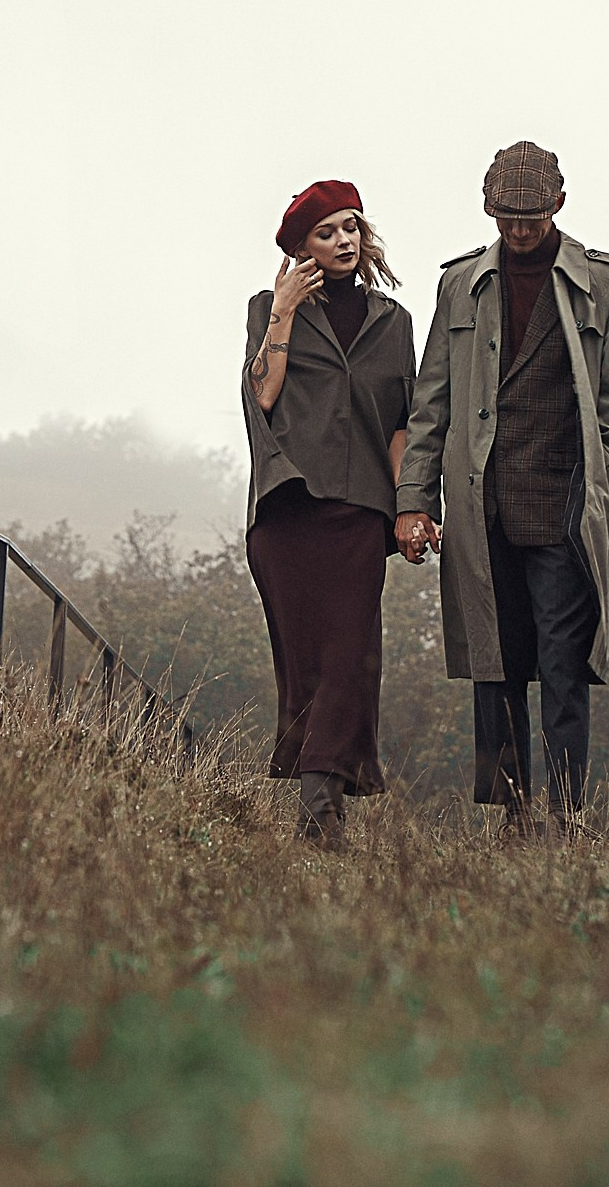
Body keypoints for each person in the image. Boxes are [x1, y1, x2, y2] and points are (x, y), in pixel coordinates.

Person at [393, 143, 609, 827]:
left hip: (566, 510)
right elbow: (432, 406)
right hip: (483, 510)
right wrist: (415, 499)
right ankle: (511, 816)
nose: (518, 228)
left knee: (564, 671)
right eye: (506, 215)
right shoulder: (460, 284)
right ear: (489, 209)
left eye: (531, 215)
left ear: (558, 206)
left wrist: (605, 488)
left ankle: (568, 818)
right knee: (495, 666)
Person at [241, 179, 425, 841]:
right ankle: (324, 801)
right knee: (306, 663)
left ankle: (319, 815)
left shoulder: (394, 322)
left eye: (351, 227)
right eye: (328, 232)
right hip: (287, 512)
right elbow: (260, 397)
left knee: (351, 657)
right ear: (301, 248)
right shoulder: (267, 307)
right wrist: (284, 312)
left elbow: (404, 424)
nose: (344, 240)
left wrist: (412, 507)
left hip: (359, 514)